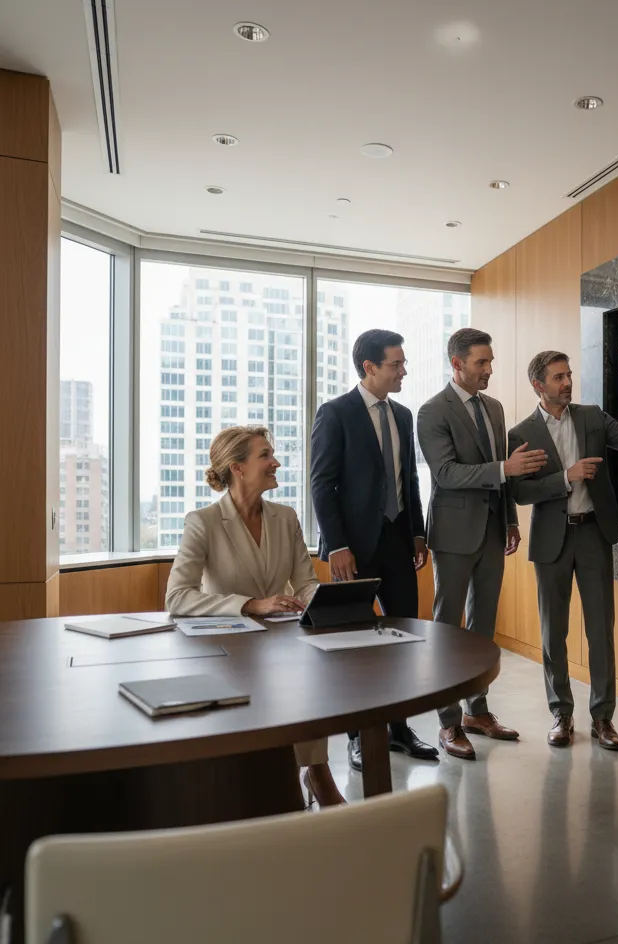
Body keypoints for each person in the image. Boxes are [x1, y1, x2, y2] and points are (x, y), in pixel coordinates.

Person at [507, 351, 618, 752]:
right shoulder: (521, 434)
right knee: (554, 633)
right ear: (538, 385)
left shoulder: (591, 417)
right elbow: (519, 493)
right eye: (558, 377)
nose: (567, 383)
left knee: (600, 630)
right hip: (551, 541)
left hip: (593, 535)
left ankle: (603, 719)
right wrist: (564, 479)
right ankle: (561, 715)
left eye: (568, 375)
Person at [165, 425, 345, 807]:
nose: (276, 462)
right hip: (225, 650)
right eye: (265, 455)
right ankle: (278, 784)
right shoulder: (203, 522)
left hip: (280, 644)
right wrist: (249, 604)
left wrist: (327, 602)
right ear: (238, 468)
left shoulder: (286, 517)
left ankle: (316, 772)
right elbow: (177, 597)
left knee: (308, 681)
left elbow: (305, 583)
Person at [310, 328, 438, 773]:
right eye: (396, 364)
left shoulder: (402, 415)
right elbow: (322, 485)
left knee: (404, 640)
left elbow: (410, 481)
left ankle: (399, 729)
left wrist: (418, 534)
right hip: (353, 549)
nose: (404, 370)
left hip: (399, 543)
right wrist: (338, 546)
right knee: (356, 648)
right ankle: (357, 737)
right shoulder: (336, 413)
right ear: (370, 367)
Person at [416, 327, 547, 760]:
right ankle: (448, 722)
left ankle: (478, 710)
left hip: (493, 532)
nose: (489, 370)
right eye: (481, 363)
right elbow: (448, 474)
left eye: (490, 362)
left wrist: (510, 518)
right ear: (457, 364)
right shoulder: (432, 411)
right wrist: (504, 470)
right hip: (453, 535)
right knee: (448, 631)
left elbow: (502, 474)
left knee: (483, 629)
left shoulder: (494, 408)